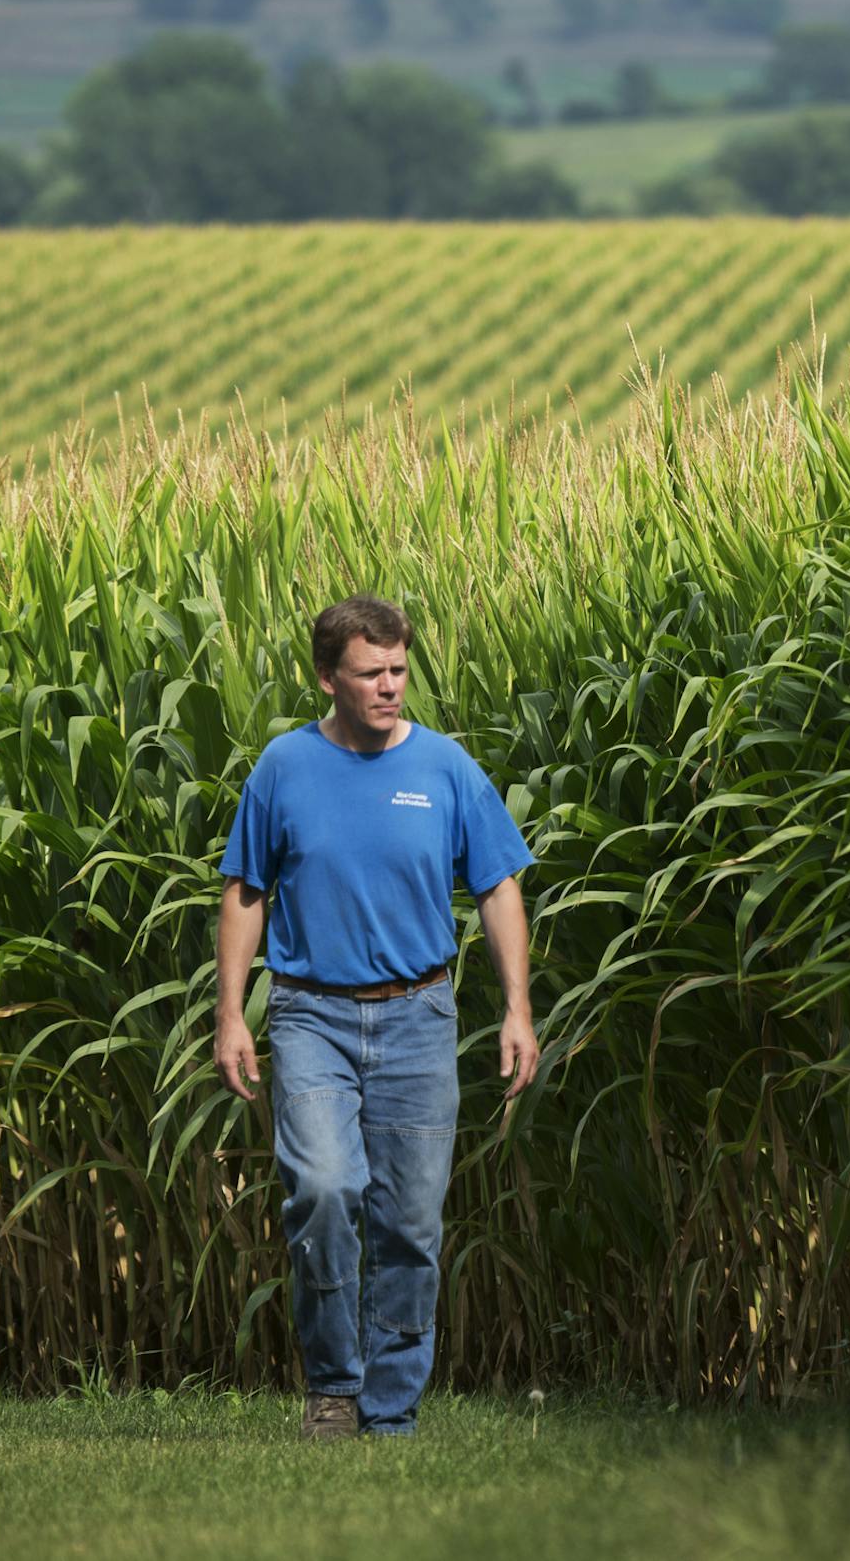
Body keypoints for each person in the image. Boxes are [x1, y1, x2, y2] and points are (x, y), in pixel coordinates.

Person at [211, 593, 539, 1441]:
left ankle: (390, 1412)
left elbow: (500, 887)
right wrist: (230, 1014)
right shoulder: (283, 768)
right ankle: (332, 1386)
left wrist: (516, 1008)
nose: (391, 685)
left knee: (410, 1222)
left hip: (419, 1016)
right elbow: (245, 890)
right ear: (328, 678)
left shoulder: (446, 769)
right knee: (323, 1188)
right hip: (310, 1014)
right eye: (371, 673)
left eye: (399, 668)